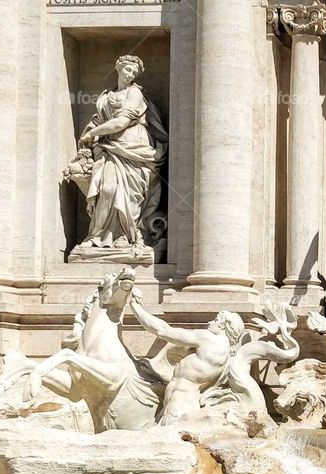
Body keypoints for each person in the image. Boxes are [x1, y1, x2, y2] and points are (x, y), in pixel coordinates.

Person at [78, 55, 168, 251]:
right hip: (109, 147)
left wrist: (94, 133)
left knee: (128, 194)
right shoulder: (106, 95)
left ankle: (126, 236)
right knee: (107, 190)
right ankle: (99, 236)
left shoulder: (135, 93)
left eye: (135, 72)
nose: (131, 74)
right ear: (118, 68)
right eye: (128, 69)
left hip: (133, 146)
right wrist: (92, 129)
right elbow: (101, 119)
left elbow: (121, 122)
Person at [129, 290, 243, 424]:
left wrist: (135, 307)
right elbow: (189, 377)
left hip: (179, 408)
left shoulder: (209, 339)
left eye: (216, 319)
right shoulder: (226, 354)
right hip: (182, 406)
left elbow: (163, 330)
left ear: (223, 325)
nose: (210, 322)